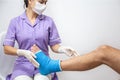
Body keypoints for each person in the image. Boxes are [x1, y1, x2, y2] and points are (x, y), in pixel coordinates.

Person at [3, 0, 79, 80]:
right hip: (22, 65)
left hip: (44, 63)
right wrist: (23, 52)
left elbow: (54, 46)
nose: (44, 6)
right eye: (41, 2)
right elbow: (6, 49)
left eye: (45, 2)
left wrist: (62, 49)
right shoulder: (15, 22)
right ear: (29, 1)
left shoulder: (49, 21)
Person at [30, 44, 120, 75]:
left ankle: (49, 65)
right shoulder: (16, 22)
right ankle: (49, 65)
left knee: (104, 52)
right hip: (23, 68)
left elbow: (53, 43)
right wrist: (20, 51)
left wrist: (60, 48)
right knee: (104, 51)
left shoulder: (48, 21)